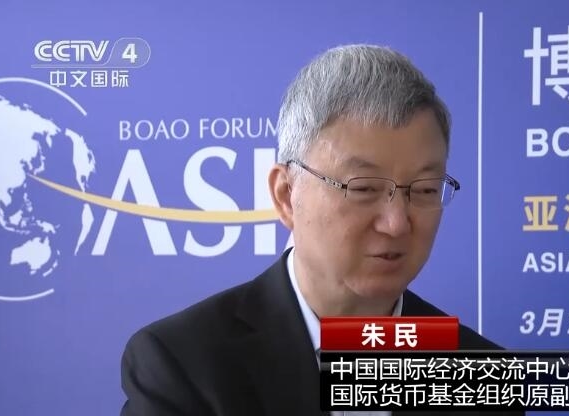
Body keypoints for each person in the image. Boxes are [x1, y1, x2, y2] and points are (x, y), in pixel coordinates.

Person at [120, 44, 522, 416]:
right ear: (286, 195)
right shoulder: (184, 365)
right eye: (363, 188)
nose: (397, 222)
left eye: (425, 189)